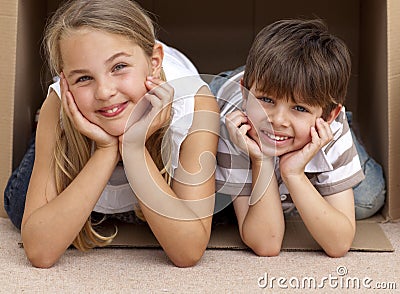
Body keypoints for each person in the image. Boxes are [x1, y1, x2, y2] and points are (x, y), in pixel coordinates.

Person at [7, 0, 219, 268]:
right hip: (80, 148)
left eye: (118, 67)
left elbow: (188, 252)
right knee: (20, 206)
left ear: (154, 62)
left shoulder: (194, 104)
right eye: (83, 78)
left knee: (217, 209)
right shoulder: (59, 104)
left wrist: (133, 149)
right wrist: (107, 152)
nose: (105, 92)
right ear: (66, 83)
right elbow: (39, 251)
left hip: (163, 162)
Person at [211, 19, 380, 257]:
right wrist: (261, 160)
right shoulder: (235, 126)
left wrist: (294, 174)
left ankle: (344, 124)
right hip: (229, 88)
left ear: (330, 115)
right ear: (245, 92)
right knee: (220, 209)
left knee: (367, 199)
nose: (277, 120)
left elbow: (339, 244)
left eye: (299, 108)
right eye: (266, 100)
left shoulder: (331, 125)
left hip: (306, 115)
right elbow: (266, 244)